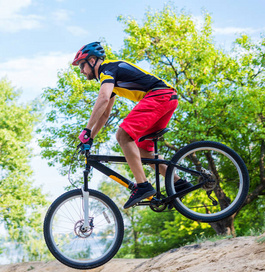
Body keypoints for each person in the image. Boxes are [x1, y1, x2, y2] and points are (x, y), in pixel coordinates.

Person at [73, 41, 190, 209]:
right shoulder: (110, 77)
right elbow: (105, 113)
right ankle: (179, 184)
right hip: (167, 98)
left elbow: (103, 98)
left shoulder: (107, 69)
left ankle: (142, 186)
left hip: (159, 96)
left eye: (81, 66)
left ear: (92, 61)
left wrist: (86, 130)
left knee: (122, 135)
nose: (81, 72)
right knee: (143, 151)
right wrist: (90, 137)